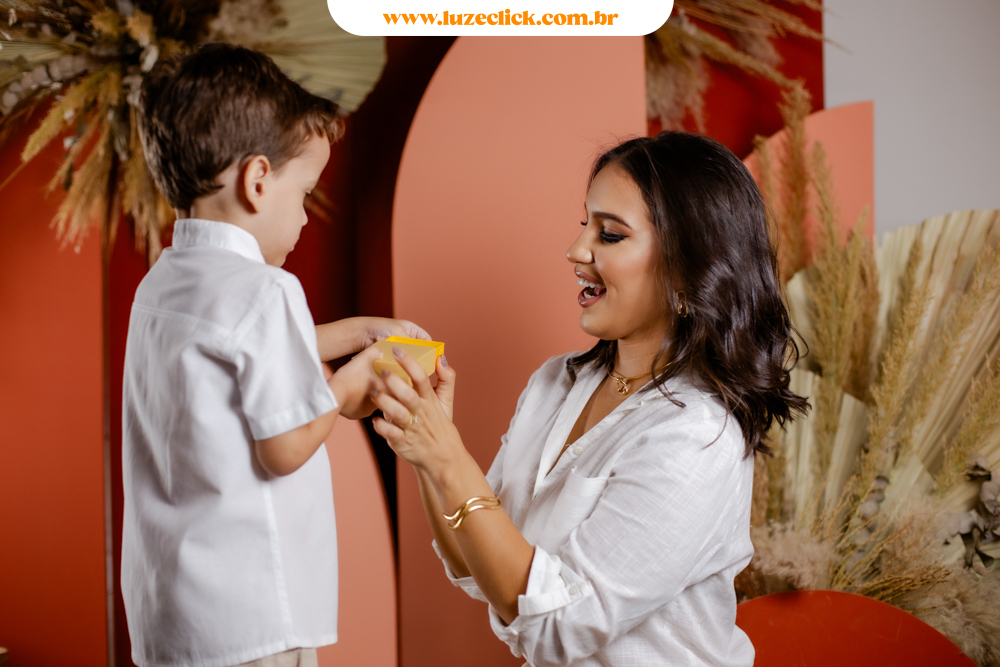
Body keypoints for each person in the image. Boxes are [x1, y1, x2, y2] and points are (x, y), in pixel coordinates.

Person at [370, 131, 808, 666]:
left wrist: (447, 457)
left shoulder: (696, 435)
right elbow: (475, 563)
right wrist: (426, 449)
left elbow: (557, 627)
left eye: (611, 234)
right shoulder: (556, 383)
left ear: (689, 266)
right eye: (585, 225)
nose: (576, 251)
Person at [122, 44, 422, 667]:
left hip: (172, 612)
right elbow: (283, 447)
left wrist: (353, 332)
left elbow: (236, 357)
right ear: (258, 181)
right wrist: (350, 384)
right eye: (305, 193)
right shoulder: (267, 288)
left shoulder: (163, 284)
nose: (306, 218)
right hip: (253, 616)